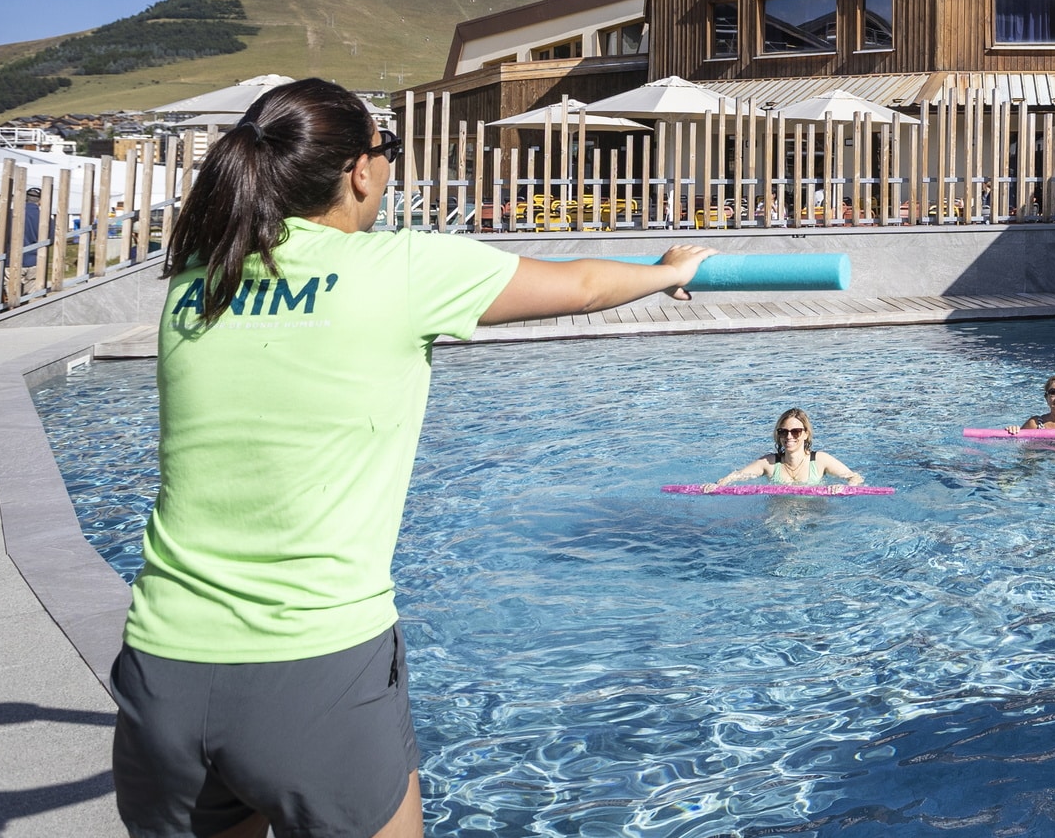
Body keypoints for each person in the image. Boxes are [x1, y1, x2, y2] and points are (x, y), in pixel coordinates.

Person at [109, 77, 717, 838]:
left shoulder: (197, 282)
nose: (390, 169)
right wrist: (670, 271)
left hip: (162, 674)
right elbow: (584, 285)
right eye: (386, 151)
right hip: (315, 668)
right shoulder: (399, 270)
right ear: (360, 171)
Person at [704, 408, 863, 494]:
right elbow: (737, 475)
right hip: (780, 513)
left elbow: (855, 477)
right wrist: (718, 485)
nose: (789, 436)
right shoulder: (770, 463)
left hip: (815, 512)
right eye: (783, 431)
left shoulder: (820, 460)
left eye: (795, 432)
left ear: (806, 433)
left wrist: (845, 488)